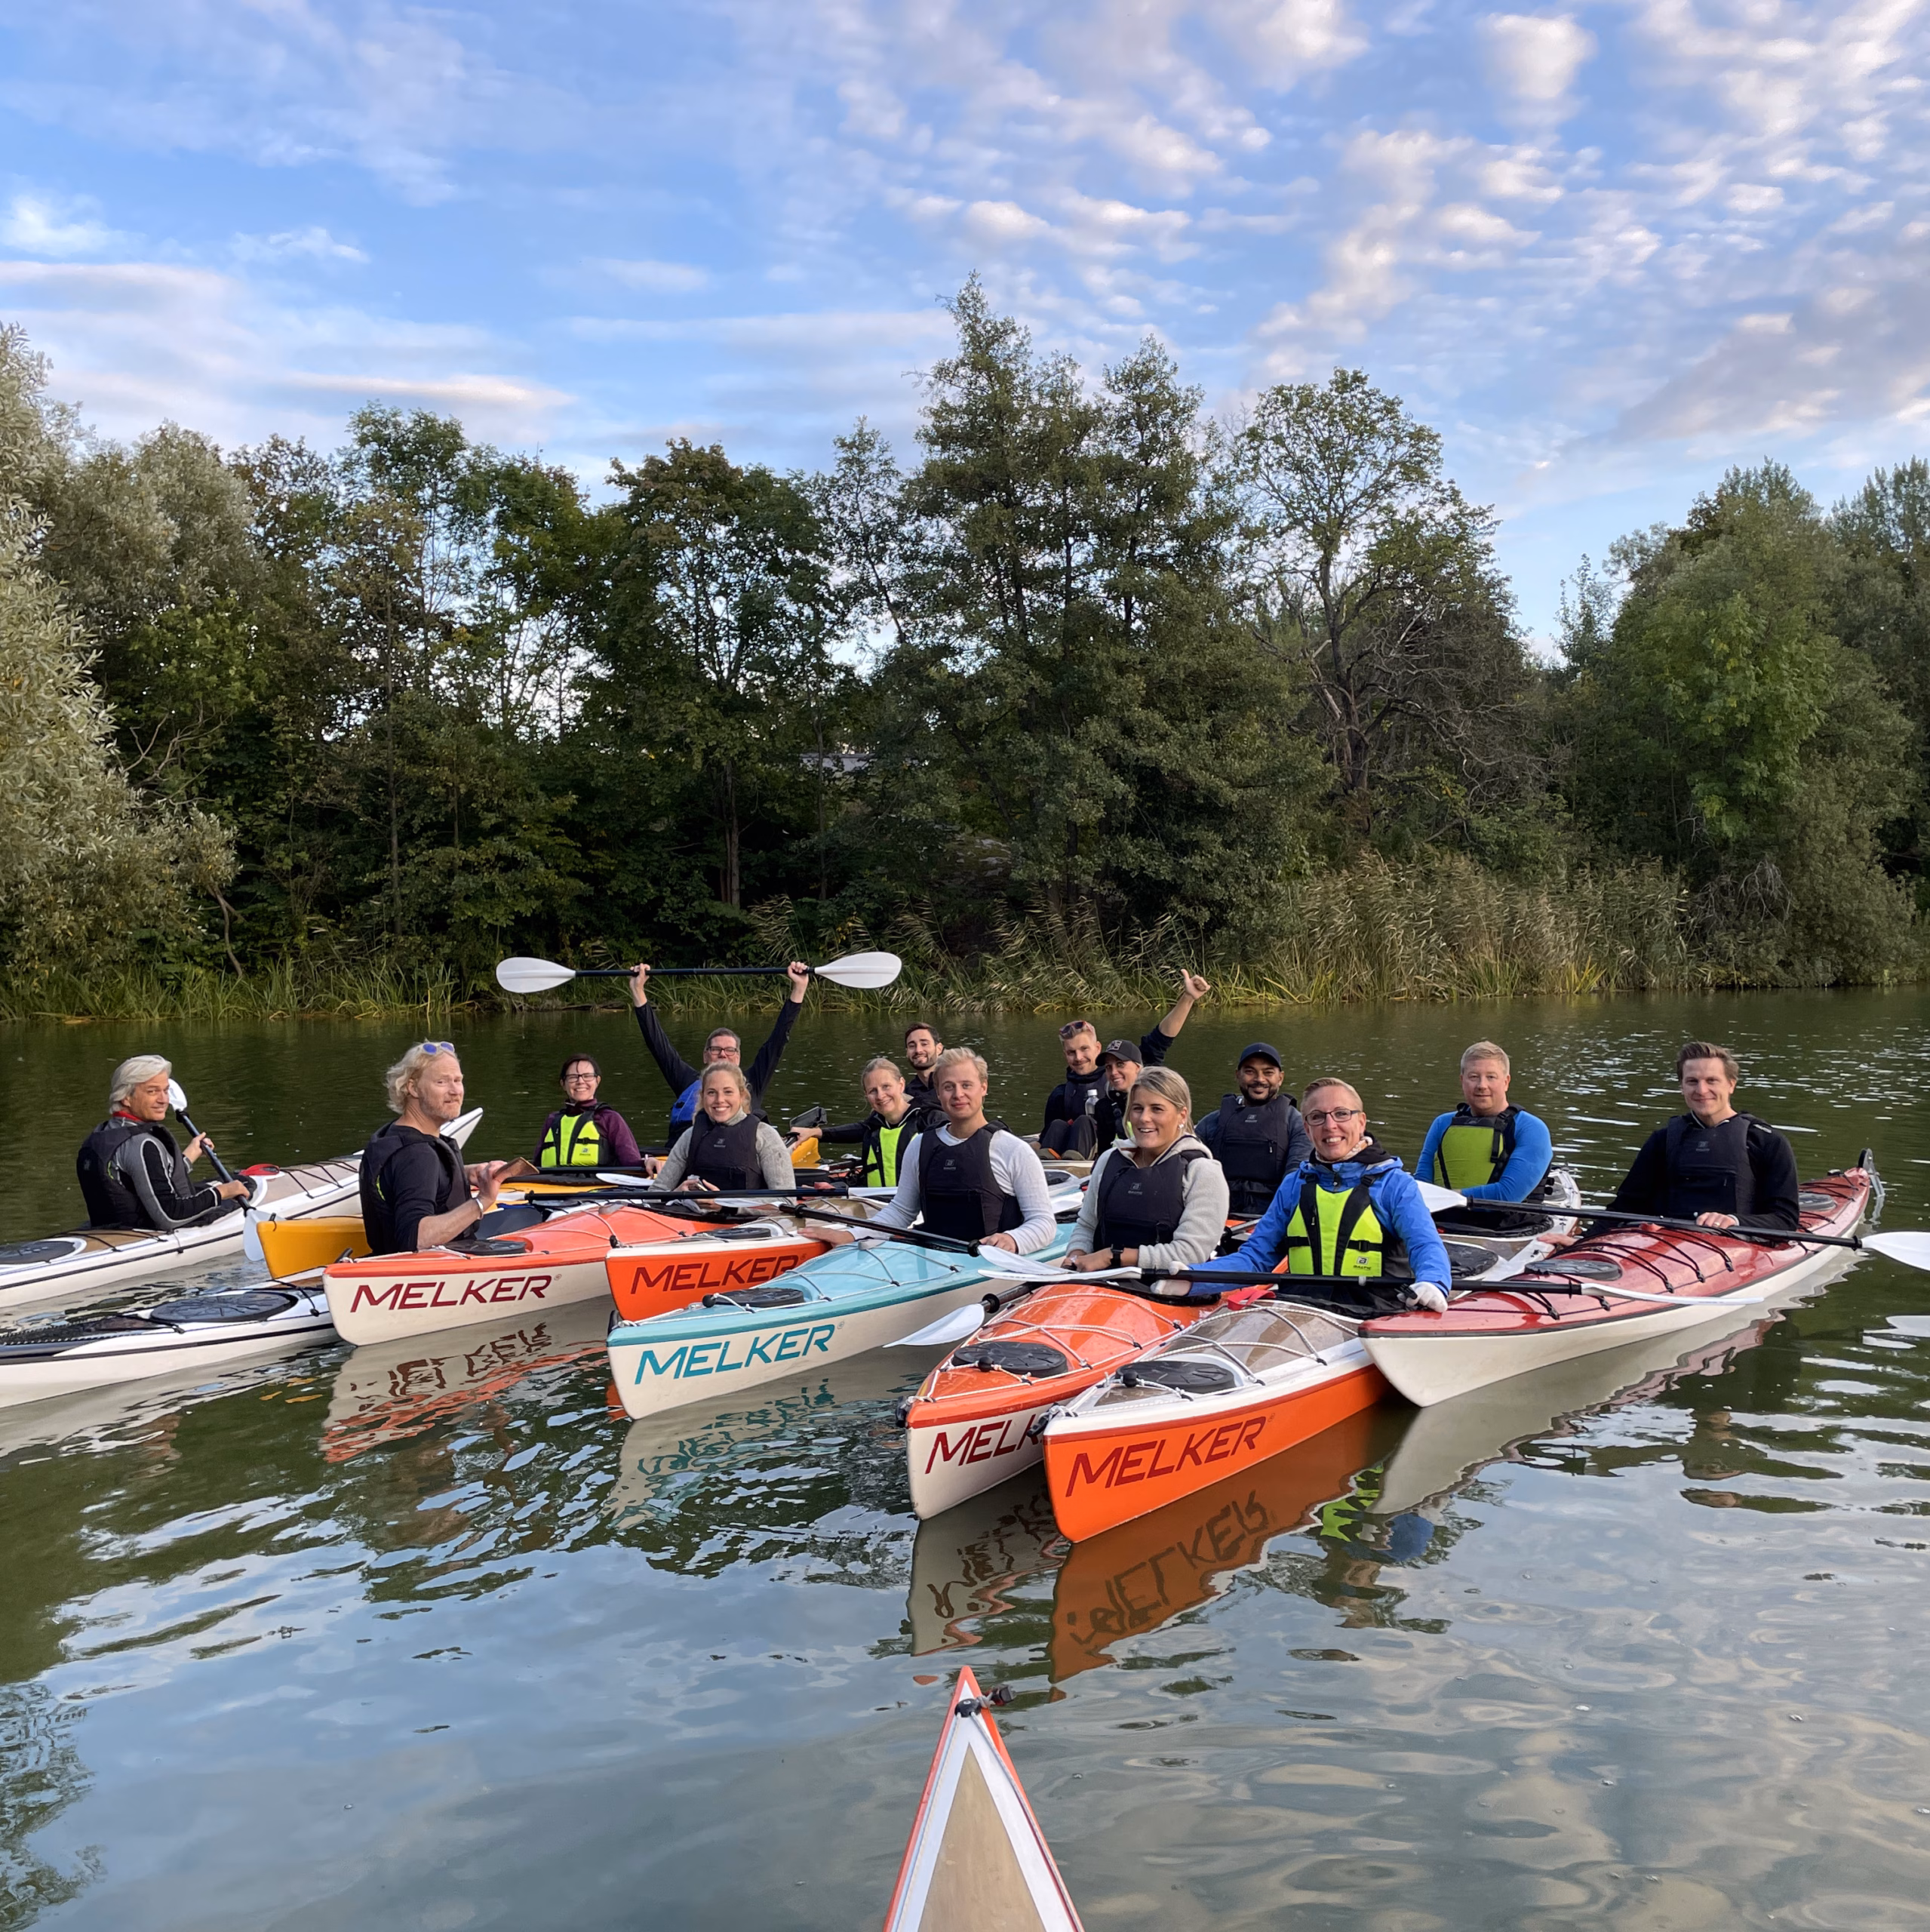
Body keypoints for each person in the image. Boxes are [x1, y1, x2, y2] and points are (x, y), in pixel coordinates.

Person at [1184, 1076, 1452, 1308]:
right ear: (1307, 1129)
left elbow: (1425, 1244)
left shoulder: (1395, 1185)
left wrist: (1433, 1281)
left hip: (1375, 1314)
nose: (1330, 1125)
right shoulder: (1294, 1186)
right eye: (1317, 1117)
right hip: (1302, 1312)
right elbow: (1255, 1259)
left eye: (1341, 1114)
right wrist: (1189, 1279)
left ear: (1361, 1122)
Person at [819, 1047, 1057, 1253]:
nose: (958, 1095)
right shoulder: (920, 1145)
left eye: (967, 1085)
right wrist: (853, 1235)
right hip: (935, 1263)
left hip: (991, 1265)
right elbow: (901, 1211)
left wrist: (1013, 1239)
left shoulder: (1013, 1150)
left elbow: (1043, 1223)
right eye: (948, 1087)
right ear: (938, 1093)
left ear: (983, 1087)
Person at [1608, 1041, 1799, 1230]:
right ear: (1682, 1086)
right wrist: (1584, 1242)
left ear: (1731, 1085)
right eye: (1692, 1081)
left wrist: (1734, 1221)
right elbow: (1624, 1207)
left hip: (1736, 1249)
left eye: (1711, 1081)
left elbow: (1785, 1219)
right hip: (1664, 1245)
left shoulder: (1768, 1142)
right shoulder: (1662, 1140)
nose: (1701, 1090)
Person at [1063, 1066, 1230, 1275]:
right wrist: (1076, 1256)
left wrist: (1112, 1256)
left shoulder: (1203, 1172)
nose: (1144, 1118)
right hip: (1103, 1285)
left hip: (1164, 1292)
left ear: (1181, 1115)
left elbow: (1190, 1252)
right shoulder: (1109, 1160)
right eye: (1137, 1108)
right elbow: (1087, 1225)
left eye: (1157, 1109)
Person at [631, 959, 812, 1145]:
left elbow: (779, 1039)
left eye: (729, 1050)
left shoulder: (754, 1081)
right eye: (716, 1049)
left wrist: (799, 987)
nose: (723, 1054)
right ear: (705, 1055)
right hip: (688, 1155)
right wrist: (638, 990)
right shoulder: (686, 1079)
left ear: (738, 1057)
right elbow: (657, 1044)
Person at [361, 1042, 511, 1255]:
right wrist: (482, 1201)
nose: (455, 1091)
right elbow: (416, 1238)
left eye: (458, 1081)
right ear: (413, 1088)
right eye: (441, 1082)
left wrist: (463, 1173)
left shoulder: (392, 1134)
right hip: (431, 1273)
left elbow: (405, 1177)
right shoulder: (417, 1154)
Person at [1041, 974, 1212, 1157]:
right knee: (1059, 1125)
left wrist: (1188, 998)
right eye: (1071, 1052)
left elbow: (1161, 1038)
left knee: (1085, 1121)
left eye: (1084, 1049)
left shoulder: (1143, 1078)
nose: (1079, 1057)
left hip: (1138, 1154)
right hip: (1081, 1163)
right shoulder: (1076, 1098)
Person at [76, 1054, 252, 1231]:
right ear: (126, 1098)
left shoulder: (102, 1133)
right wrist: (223, 1192)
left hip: (111, 1230)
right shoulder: (142, 1144)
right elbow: (170, 1217)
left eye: (166, 1091)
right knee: (244, 1185)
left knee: (237, 1180)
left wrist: (189, 1156)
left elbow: (142, 1180)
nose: (164, 1100)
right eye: (152, 1091)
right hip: (143, 1235)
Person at [1416, 1041, 1554, 1228]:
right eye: (1474, 1077)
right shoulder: (1442, 1124)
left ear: (1506, 1082)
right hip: (1441, 1225)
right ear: (1462, 1081)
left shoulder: (1531, 1129)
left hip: (1507, 1229)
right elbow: (1422, 1183)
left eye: (1491, 1077)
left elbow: (1508, 1194)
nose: (1482, 1085)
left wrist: (1447, 1198)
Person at [1194, 1041, 1314, 1219]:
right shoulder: (1212, 1122)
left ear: (1280, 1078)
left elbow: (1297, 1175)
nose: (1259, 1079)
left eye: (1268, 1072)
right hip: (1217, 1217)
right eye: (1250, 1072)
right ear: (1238, 1076)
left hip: (1272, 1219)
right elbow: (1188, 1168)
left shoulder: (1296, 1123)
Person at [651, 1063, 796, 1192]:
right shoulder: (690, 1136)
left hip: (747, 1221)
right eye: (711, 1093)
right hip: (693, 1217)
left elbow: (786, 1200)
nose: (719, 1100)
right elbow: (656, 1192)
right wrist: (677, 1194)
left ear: (742, 1095)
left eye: (728, 1092)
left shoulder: (765, 1135)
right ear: (703, 1097)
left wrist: (726, 1207)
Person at [803, 1055, 939, 1189]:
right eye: (873, 1091)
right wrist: (836, 1187)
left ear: (901, 1085)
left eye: (886, 1087)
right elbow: (864, 1178)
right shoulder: (874, 1126)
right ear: (866, 1095)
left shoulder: (930, 1120)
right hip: (876, 1205)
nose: (880, 1096)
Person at [535, 1055, 644, 1168]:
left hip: (596, 1183)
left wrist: (647, 1163)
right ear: (563, 1084)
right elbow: (535, 1167)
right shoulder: (552, 1120)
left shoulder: (609, 1119)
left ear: (597, 1081)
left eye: (587, 1076)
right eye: (573, 1077)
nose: (580, 1081)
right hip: (552, 1183)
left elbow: (632, 1163)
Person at [902, 1022, 946, 1110]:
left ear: (939, 1049)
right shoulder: (908, 1092)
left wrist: (913, 1102)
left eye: (924, 1044)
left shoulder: (953, 1082)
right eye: (912, 1046)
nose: (918, 1050)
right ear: (907, 1052)